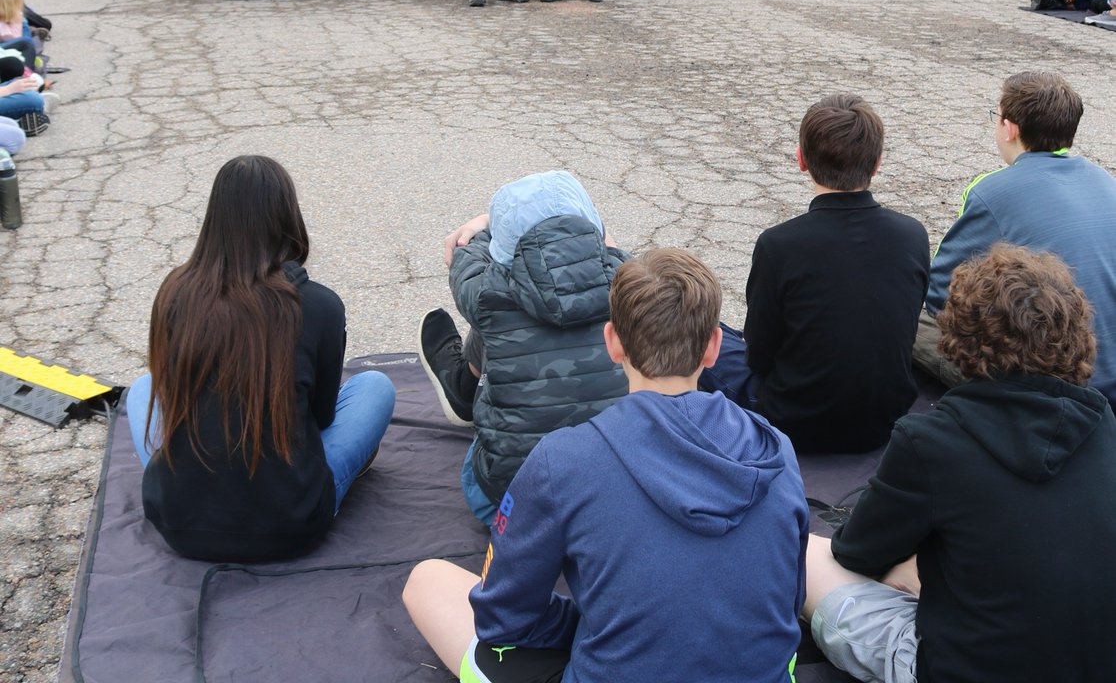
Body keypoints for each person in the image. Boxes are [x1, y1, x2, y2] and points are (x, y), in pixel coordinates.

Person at [404, 248, 809, 683]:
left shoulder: (562, 460)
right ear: (713, 345)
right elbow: (787, 597)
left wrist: (592, 626)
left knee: (427, 580)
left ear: (612, 341)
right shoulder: (775, 447)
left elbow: (504, 619)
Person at [804, 242, 1116, 683]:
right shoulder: (1102, 421)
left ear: (960, 339)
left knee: (804, 556)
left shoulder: (931, 440)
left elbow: (855, 552)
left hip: (962, 668)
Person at [127, 155, 396, 561]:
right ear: (288, 218)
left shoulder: (174, 292)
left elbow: (170, 391)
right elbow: (322, 419)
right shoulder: (319, 305)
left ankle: (186, 479)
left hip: (178, 522)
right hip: (288, 526)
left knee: (143, 388)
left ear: (213, 220)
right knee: (375, 386)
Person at [700, 94, 929, 452]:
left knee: (704, 340)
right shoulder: (912, 234)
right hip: (885, 419)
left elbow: (759, 356)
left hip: (796, 421)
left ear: (801, 160)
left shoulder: (779, 244)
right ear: (878, 164)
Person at [417, 170, 628, 524]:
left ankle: (464, 385)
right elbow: (607, 245)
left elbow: (461, 253)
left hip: (509, 505)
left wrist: (485, 222)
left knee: (501, 320)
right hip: (611, 503)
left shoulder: (486, 292)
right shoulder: (628, 277)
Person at [913, 70, 1116, 401]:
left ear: (1010, 128)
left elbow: (939, 296)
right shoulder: (1108, 183)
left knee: (914, 323)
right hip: (1104, 374)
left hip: (1055, 388)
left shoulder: (991, 191)